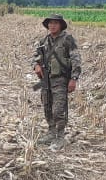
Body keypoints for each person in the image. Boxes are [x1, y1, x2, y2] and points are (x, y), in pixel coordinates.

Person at [32, 14, 82, 145]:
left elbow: (76, 60)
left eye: (55, 23)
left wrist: (74, 79)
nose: (52, 25)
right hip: (46, 80)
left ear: (60, 25)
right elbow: (35, 57)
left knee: (58, 109)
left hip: (60, 79)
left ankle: (60, 136)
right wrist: (36, 66)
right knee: (47, 106)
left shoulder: (68, 40)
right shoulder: (43, 41)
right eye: (50, 23)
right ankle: (51, 132)